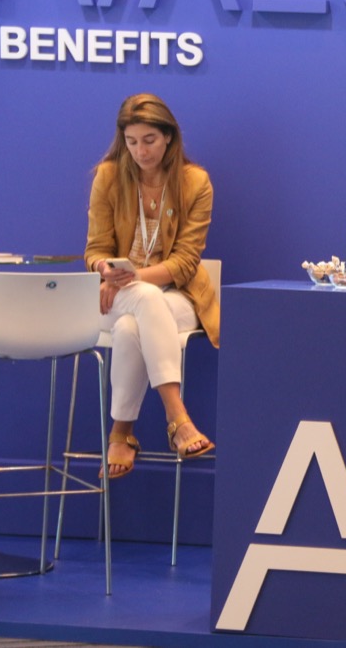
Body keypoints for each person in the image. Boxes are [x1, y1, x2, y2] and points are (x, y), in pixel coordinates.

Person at [85, 93, 218, 480]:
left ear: (169, 137)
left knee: (133, 323)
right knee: (138, 304)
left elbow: (186, 262)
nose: (140, 151)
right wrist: (105, 269)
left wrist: (132, 279)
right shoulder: (108, 176)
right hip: (117, 296)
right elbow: (95, 250)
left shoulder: (195, 182)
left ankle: (121, 433)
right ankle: (178, 419)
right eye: (131, 142)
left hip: (176, 296)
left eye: (149, 140)